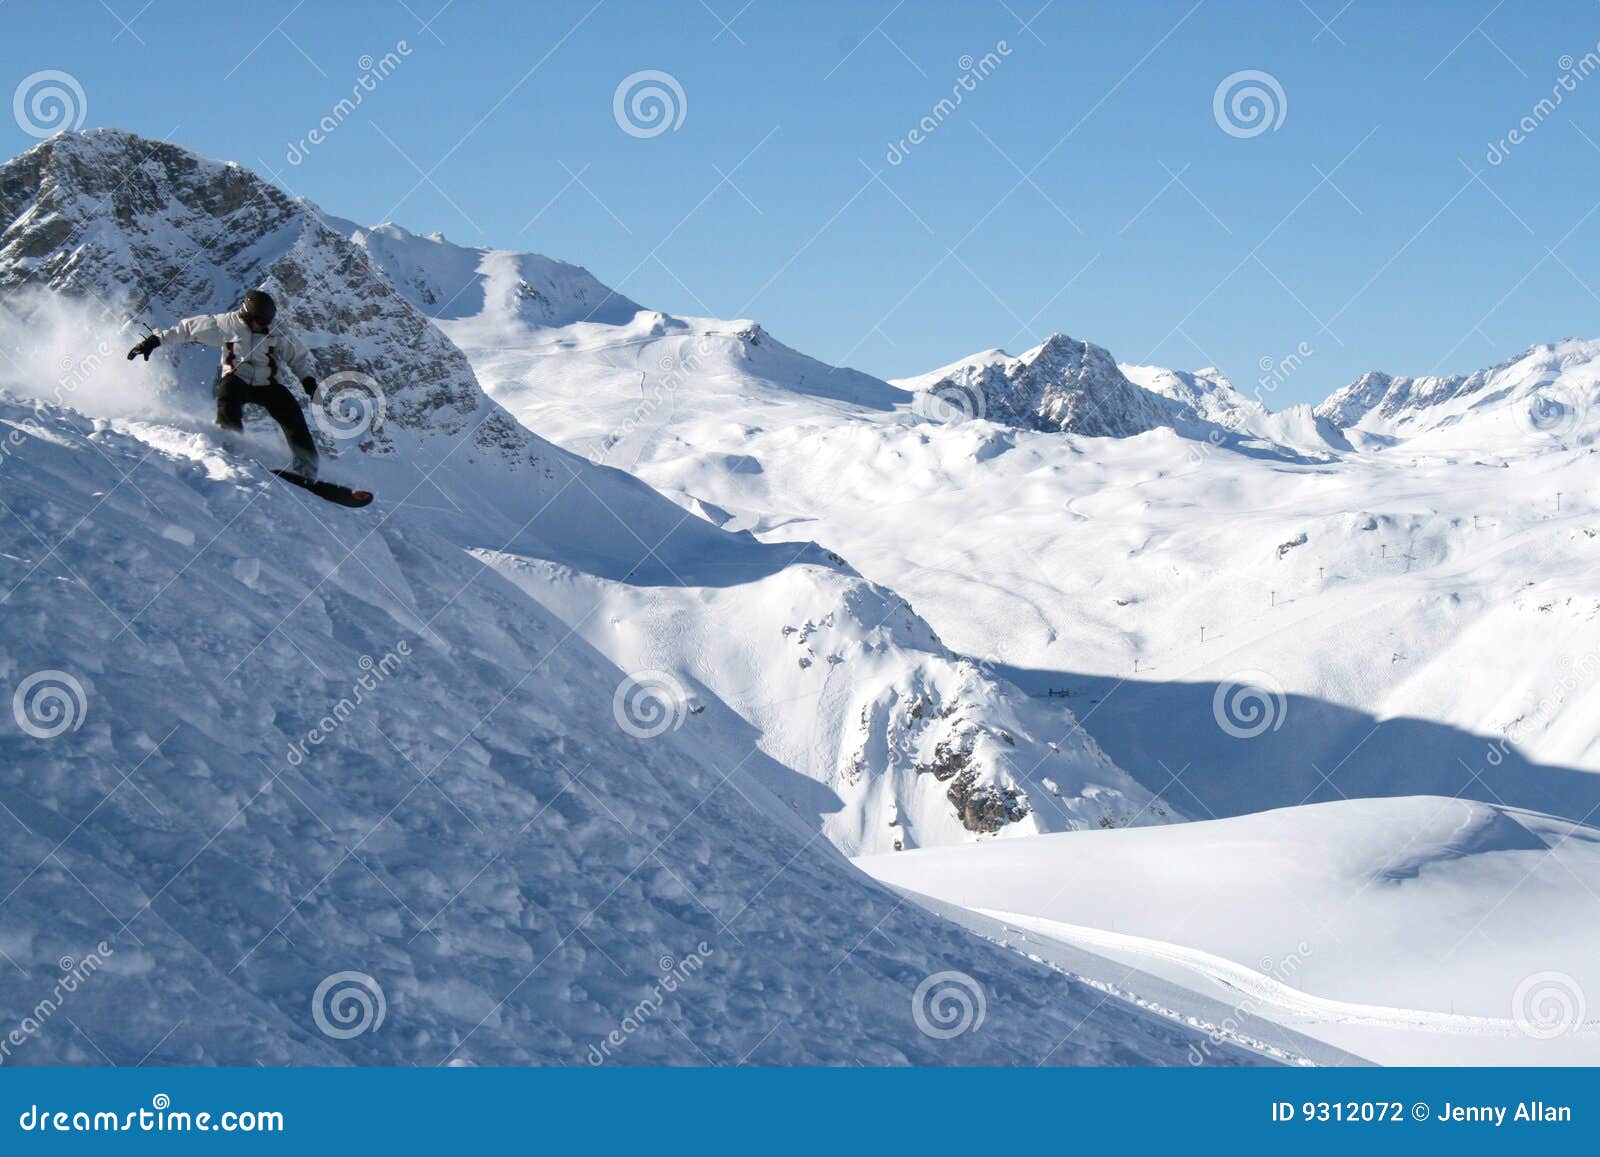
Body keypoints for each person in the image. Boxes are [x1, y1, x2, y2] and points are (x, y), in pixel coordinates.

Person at [127, 290, 321, 477]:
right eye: (261, 321)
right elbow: (187, 329)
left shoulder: (277, 331)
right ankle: (231, 450)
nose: (265, 326)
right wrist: (154, 340)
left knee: (292, 413)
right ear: (246, 315)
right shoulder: (226, 324)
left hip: (268, 384)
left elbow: (298, 357)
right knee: (227, 397)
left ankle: (307, 469)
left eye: (268, 322)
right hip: (238, 379)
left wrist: (308, 381)